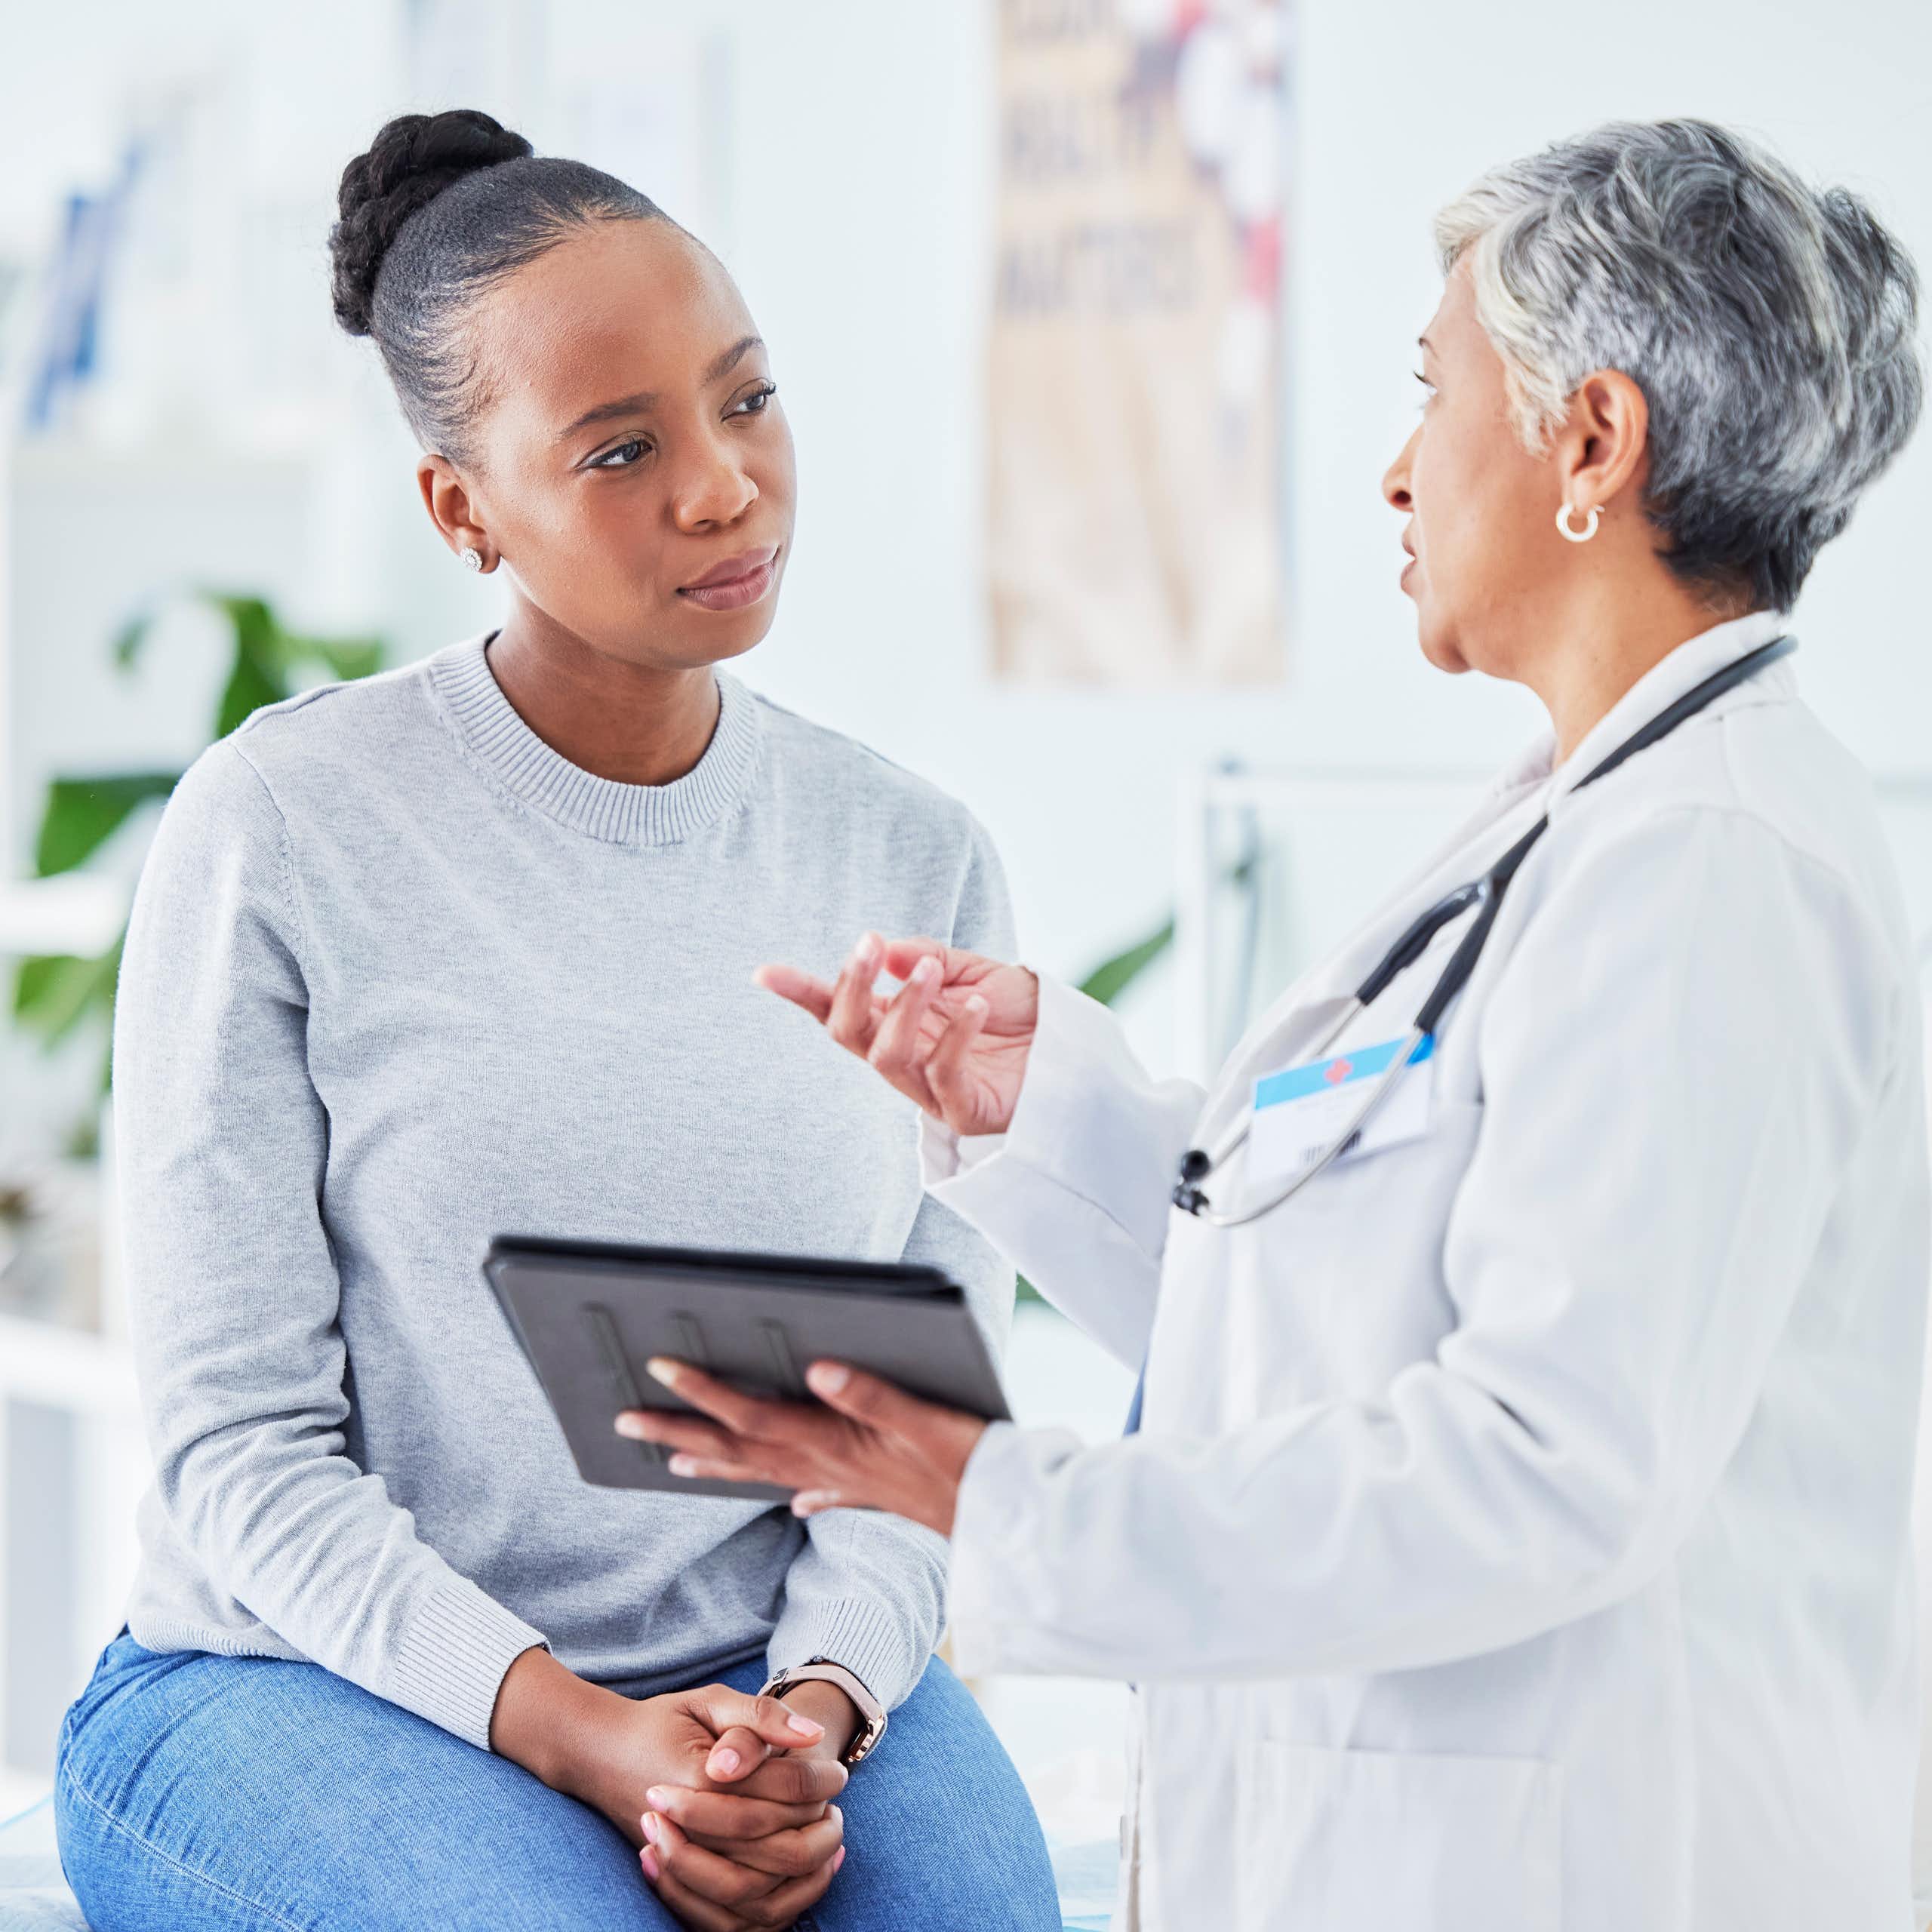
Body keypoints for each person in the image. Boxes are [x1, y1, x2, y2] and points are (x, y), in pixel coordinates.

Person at [618, 120, 1930, 1930]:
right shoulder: (1581, 825)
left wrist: (1004, 1498)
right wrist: (1044, 1113)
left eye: (1431, 390)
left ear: (1590, 441)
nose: (1396, 470)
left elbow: (1550, 1468)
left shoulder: (1704, 863)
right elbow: (1336, 1316)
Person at [54, 109, 1060, 1932]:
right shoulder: (285, 824)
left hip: (776, 1671)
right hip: (299, 1681)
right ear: (462, 506)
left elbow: (913, 1416)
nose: (721, 486)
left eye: (746, 401)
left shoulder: (913, 851)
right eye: (621, 448)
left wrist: (815, 1707)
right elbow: (236, 1450)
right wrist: (588, 1732)